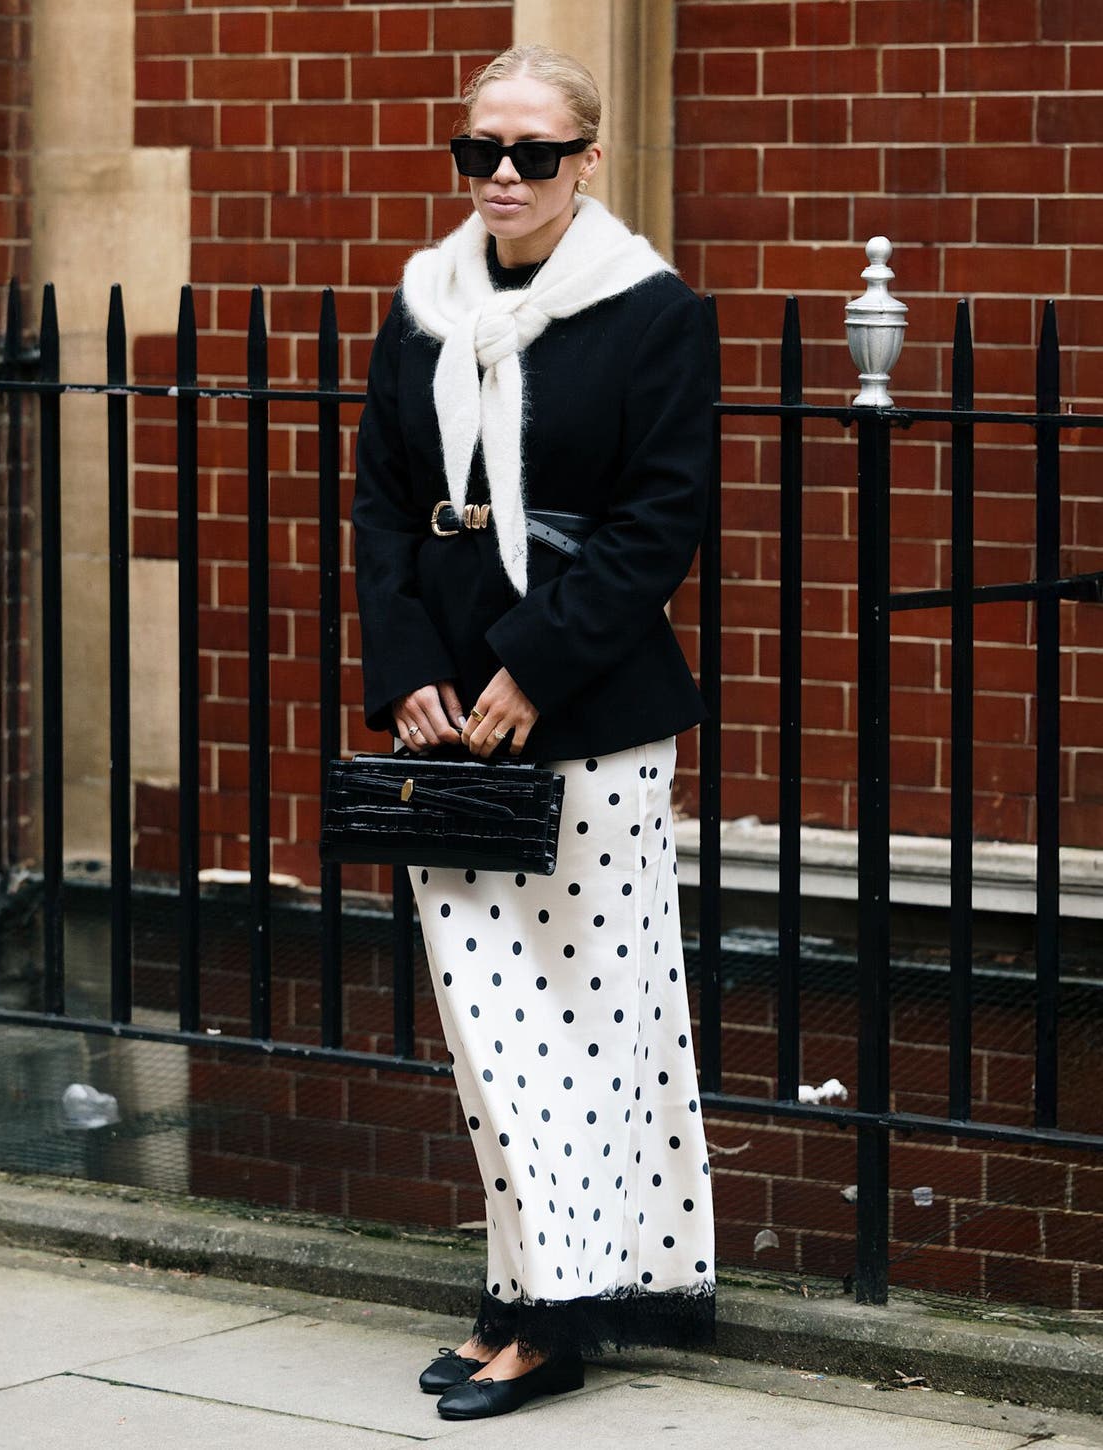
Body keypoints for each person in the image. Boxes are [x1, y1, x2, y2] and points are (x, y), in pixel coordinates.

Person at [351, 44, 716, 1422]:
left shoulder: (651, 312)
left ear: (587, 161)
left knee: (580, 1030)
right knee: (489, 1037)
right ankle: (521, 1293)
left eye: (533, 153)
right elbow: (385, 502)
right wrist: (409, 671)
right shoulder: (423, 306)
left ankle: (548, 1314)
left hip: (592, 723)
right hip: (448, 719)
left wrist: (529, 664)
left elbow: (655, 526)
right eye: (479, 151)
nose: (502, 175)